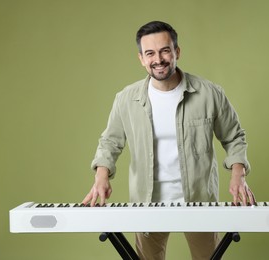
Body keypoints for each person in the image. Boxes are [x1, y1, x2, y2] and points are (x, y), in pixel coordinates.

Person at [83, 21, 255, 260]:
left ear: (177, 52)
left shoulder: (209, 93)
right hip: (147, 202)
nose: (158, 59)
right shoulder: (126, 99)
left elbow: (234, 136)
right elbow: (110, 142)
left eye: (165, 50)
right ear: (141, 58)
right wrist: (101, 176)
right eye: (150, 53)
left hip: (199, 200)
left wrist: (239, 175)